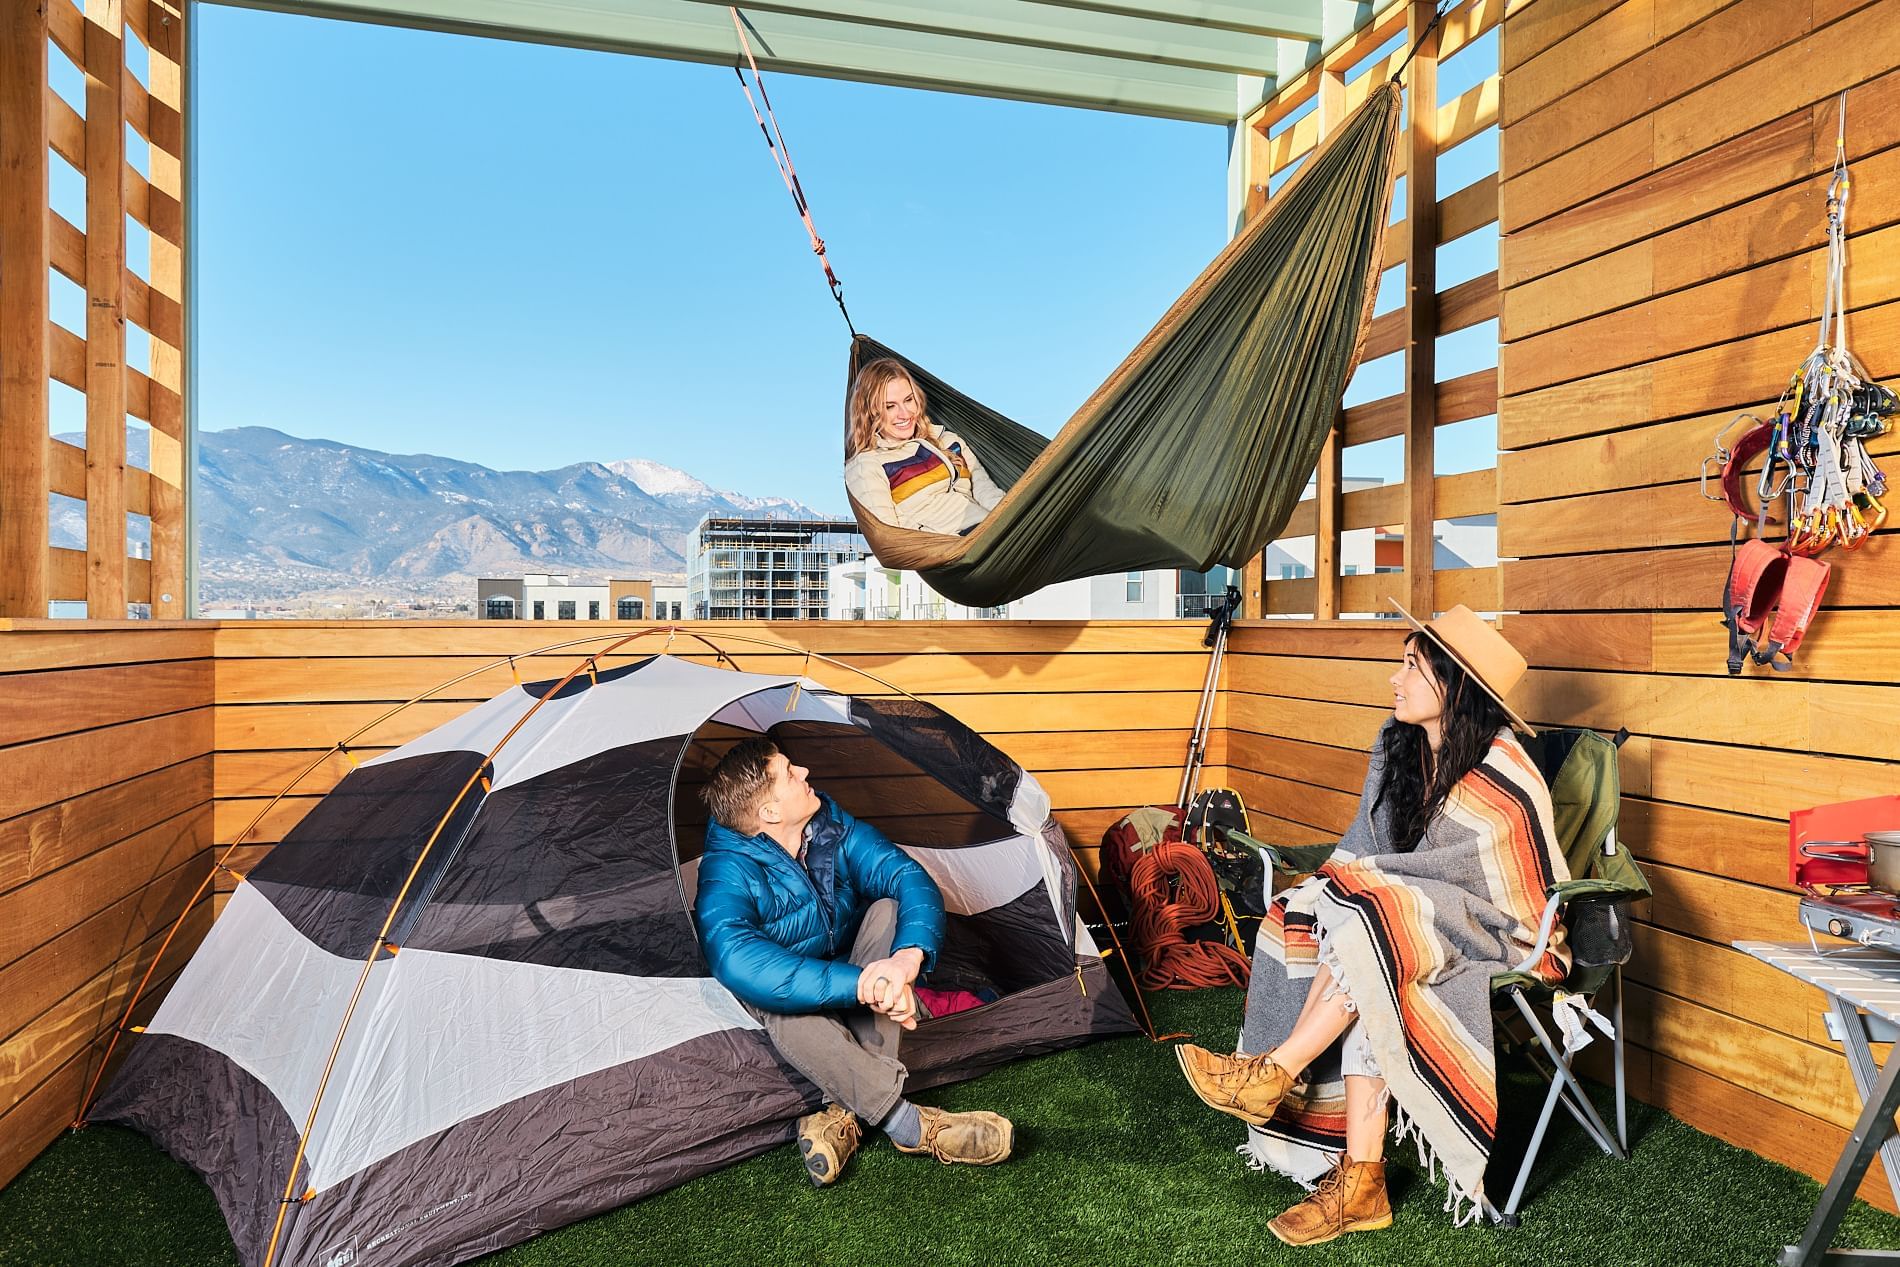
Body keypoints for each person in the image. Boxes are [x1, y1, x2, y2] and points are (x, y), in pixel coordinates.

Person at [1175, 602, 1570, 1245]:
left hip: (1502, 933)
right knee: (1328, 925)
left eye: (1411, 667)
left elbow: (1507, 887)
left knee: (1376, 922)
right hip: (1409, 921)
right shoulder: (1399, 751)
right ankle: (1362, 1179)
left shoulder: (1506, 774)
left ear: (1454, 686)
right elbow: (1369, 853)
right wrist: (1350, 889)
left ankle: (1275, 1072)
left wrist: (1383, 894)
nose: (1396, 678)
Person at [692, 737, 1014, 1188]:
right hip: (797, 987)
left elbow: (903, 874)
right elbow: (737, 959)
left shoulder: (827, 822)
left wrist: (904, 962)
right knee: (781, 1006)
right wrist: (865, 985)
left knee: (886, 908)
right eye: (789, 772)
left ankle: (842, 1115)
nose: (803, 772)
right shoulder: (726, 868)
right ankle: (912, 1126)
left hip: (852, 965)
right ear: (769, 813)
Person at [844, 358, 1003, 534]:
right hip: (954, 550)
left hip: (992, 535)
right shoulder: (867, 465)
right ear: (870, 412)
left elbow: (986, 491)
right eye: (890, 406)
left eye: (908, 400)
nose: (905, 414)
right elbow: (892, 536)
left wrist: (1012, 520)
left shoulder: (949, 441)